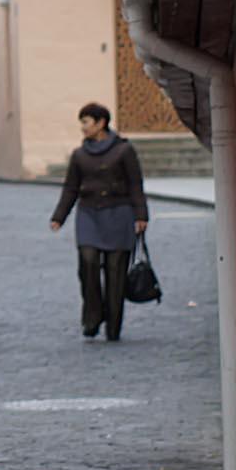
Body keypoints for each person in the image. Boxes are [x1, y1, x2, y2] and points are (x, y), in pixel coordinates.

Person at [49, 102, 151, 341]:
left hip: (119, 213)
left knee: (116, 273)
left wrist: (141, 215)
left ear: (101, 123)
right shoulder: (79, 155)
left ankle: (113, 326)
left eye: (86, 122)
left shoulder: (124, 151)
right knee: (88, 263)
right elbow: (70, 188)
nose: (82, 127)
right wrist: (59, 217)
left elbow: (136, 184)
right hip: (89, 214)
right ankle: (92, 316)